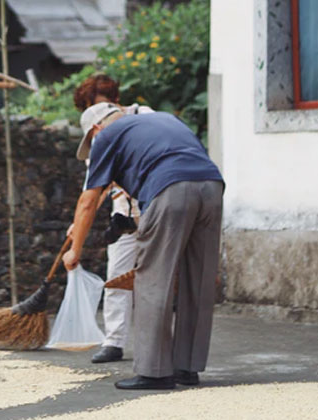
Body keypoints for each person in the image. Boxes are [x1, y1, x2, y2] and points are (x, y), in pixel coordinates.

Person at [63, 102, 224, 390]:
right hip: (212, 187)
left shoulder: (107, 137)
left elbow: (88, 200)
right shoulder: (161, 120)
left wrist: (75, 250)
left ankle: (155, 372)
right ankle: (187, 369)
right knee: (198, 280)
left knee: (152, 279)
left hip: (170, 188)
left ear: (96, 129)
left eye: (90, 141)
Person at [72, 75, 154, 364]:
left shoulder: (144, 116)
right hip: (123, 214)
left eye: (103, 104)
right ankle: (114, 341)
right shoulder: (98, 139)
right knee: (116, 276)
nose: (102, 111)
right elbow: (93, 188)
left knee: (156, 277)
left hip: (153, 208)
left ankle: (156, 342)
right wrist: (79, 223)